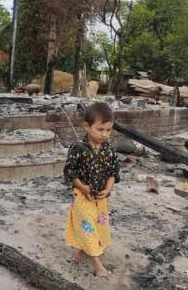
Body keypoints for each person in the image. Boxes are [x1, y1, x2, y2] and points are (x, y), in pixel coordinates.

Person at [63, 102, 120, 277]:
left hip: (101, 198)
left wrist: (108, 189)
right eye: (100, 129)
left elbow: (113, 172)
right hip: (82, 196)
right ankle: (98, 265)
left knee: (97, 225)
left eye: (109, 130)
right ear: (87, 127)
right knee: (87, 226)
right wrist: (82, 187)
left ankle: (83, 249)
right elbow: (69, 172)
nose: (105, 134)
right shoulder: (78, 148)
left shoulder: (108, 150)